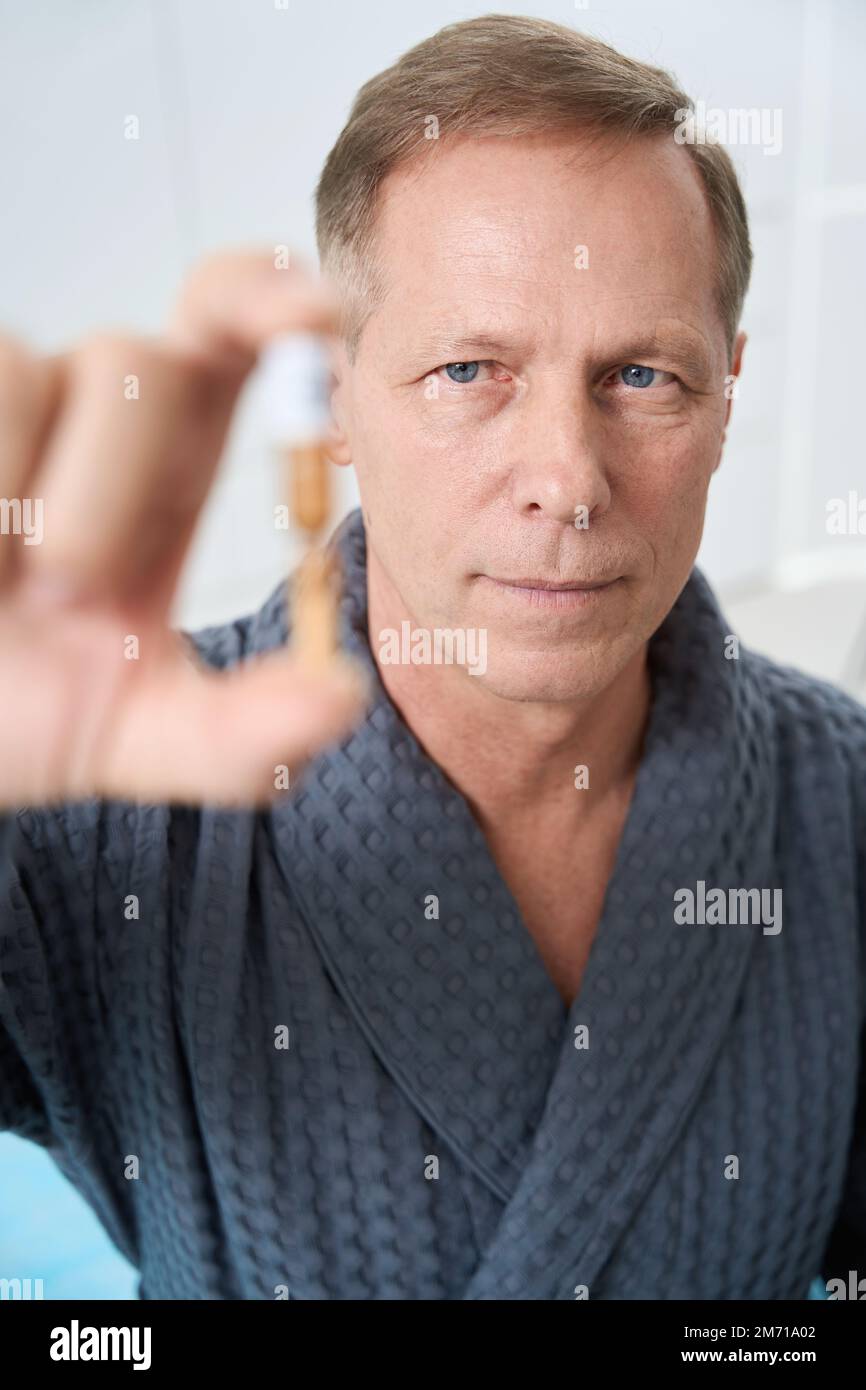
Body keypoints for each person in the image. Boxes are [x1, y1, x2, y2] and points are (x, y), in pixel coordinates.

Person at [1, 14, 864, 1300]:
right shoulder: (105, 818)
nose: (566, 481)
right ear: (338, 398)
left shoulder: (841, 809)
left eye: (641, 375)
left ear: (727, 396)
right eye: (469, 369)